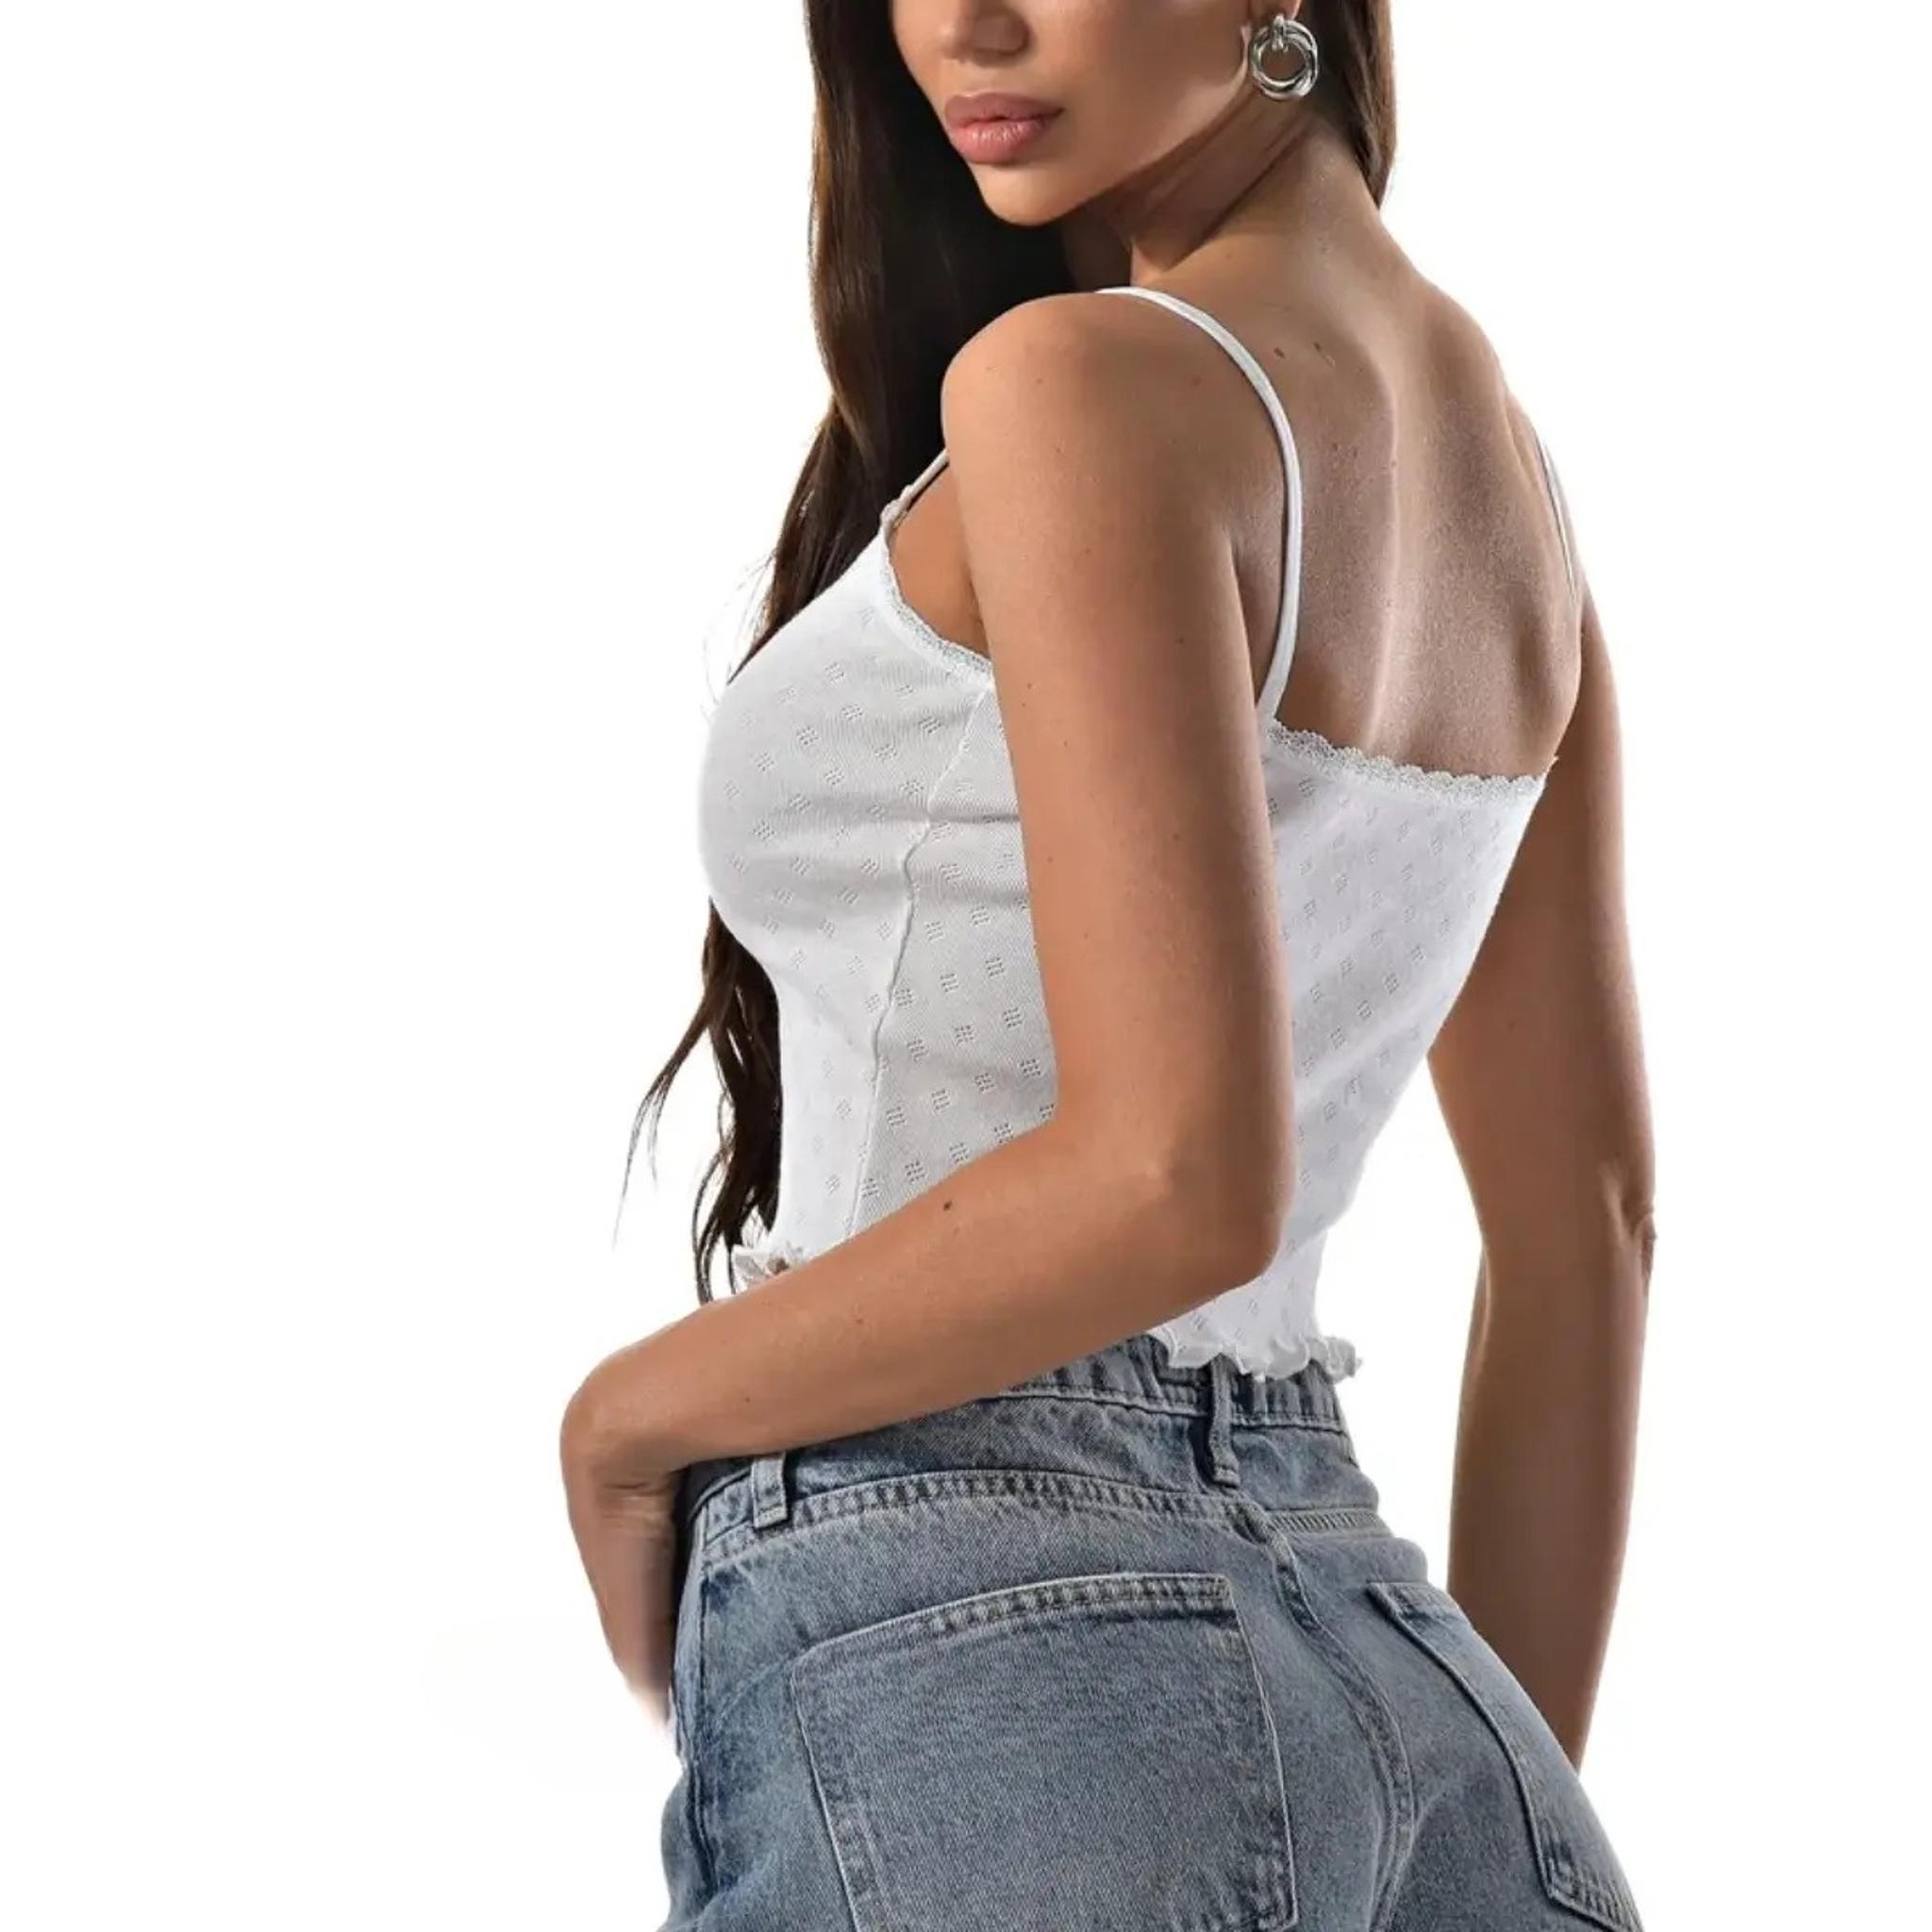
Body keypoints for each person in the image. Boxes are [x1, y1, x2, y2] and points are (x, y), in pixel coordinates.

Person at [560, 5, 1657, 1926]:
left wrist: (632, 1418)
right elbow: (1592, 1235)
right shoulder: (1515, 505)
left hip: (988, 1629)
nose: (961, 26)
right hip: (1410, 1690)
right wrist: (1490, 1799)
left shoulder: (1079, 385)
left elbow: (1175, 1177)